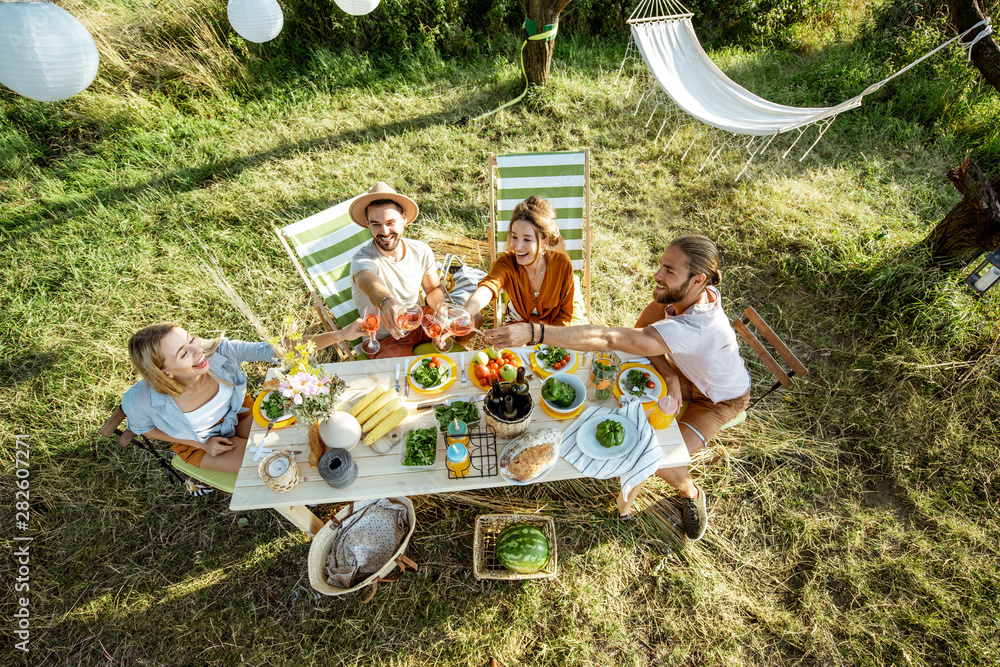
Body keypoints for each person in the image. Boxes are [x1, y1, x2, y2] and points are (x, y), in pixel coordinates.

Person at [487, 234, 750, 540]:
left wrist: (536, 332)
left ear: (698, 279)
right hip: (685, 376)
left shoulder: (699, 327)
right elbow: (641, 336)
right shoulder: (685, 295)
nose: (658, 275)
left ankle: (690, 492)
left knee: (657, 458)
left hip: (720, 399)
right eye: (661, 265)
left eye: (670, 270)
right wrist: (670, 374)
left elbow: (613, 339)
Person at [121, 321, 363, 475]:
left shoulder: (220, 352)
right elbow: (143, 428)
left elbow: (278, 349)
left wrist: (341, 334)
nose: (199, 351)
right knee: (272, 467)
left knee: (298, 439)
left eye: (191, 339)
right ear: (165, 372)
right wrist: (202, 445)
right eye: (184, 353)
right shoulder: (140, 400)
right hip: (200, 443)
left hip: (238, 414)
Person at [349, 182, 449, 358]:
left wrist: (440, 308)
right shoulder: (362, 260)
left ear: (404, 218)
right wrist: (387, 302)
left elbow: (432, 289)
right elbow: (372, 285)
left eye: (390, 222)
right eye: (376, 224)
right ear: (367, 224)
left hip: (416, 321)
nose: (384, 231)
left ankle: (443, 348)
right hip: (388, 336)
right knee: (402, 377)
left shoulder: (420, 249)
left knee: (474, 318)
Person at [462, 196, 574, 326]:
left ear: (545, 241)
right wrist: (464, 314)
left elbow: (564, 317)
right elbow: (487, 288)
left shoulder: (562, 265)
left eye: (527, 239)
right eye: (514, 237)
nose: (517, 246)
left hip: (552, 334)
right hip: (515, 331)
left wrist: (543, 339)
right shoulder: (506, 264)